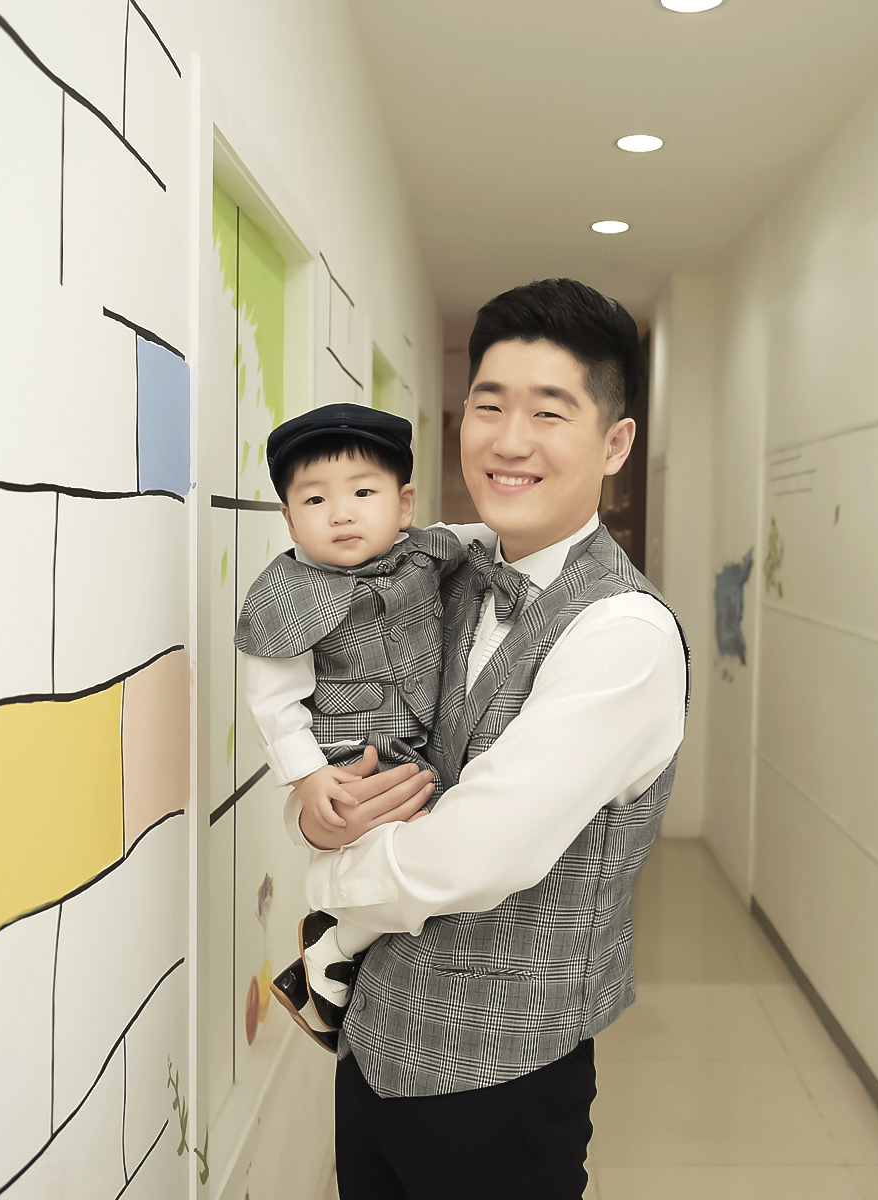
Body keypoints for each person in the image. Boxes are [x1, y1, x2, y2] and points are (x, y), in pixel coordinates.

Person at [288, 278, 689, 1199]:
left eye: (550, 412)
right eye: (489, 405)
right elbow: (339, 738)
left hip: (502, 1083)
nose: (509, 441)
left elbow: (475, 856)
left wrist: (324, 882)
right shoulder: (440, 572)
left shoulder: (623, 634)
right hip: (372, 1047)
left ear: (615, 442)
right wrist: (316, 811)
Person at [234, 403, 470, 1050]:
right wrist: (309, 778)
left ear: (403, 504)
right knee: (415, 856)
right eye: (315, 499)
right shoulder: (286, 595)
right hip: (348, 756)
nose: (341, 513)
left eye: (363, 493)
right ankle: (333, 948)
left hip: (417, 745)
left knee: (424, 858)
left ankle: (329, 955)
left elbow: (483, 538)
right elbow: (273, 702)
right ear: (289, 519)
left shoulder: (424, 553)